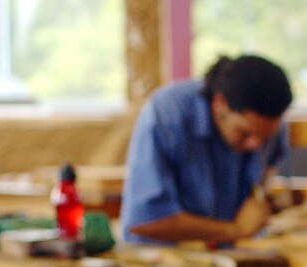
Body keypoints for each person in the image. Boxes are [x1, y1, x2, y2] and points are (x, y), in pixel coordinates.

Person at [121, 54, 293, 245]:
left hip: (229, 254)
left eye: (266, 137)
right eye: (244, 133)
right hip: (159, 263)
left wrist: (257, 197)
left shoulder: (268, 123)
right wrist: (236, 229)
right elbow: (145, 220)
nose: (255, 145)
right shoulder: (168, 114)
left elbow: (271, 165)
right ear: (220, 105)